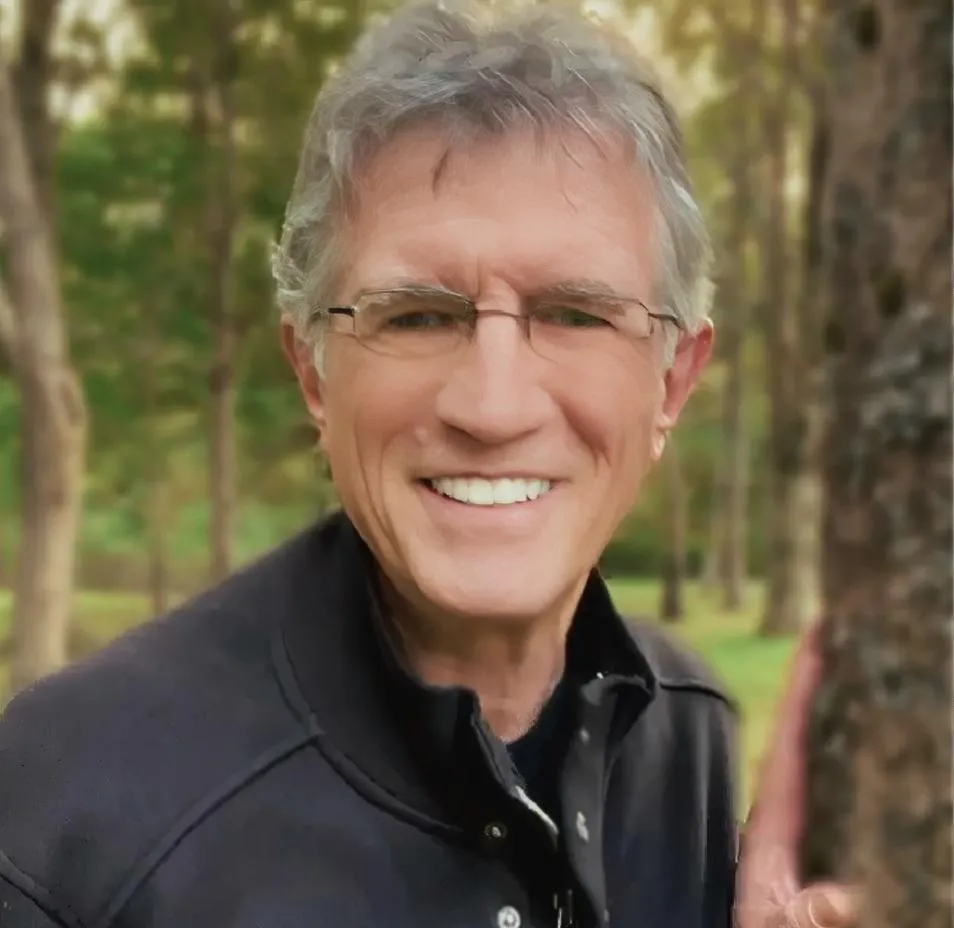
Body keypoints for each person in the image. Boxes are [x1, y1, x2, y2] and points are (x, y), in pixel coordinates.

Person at [0, 3, 856, 926]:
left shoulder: (682, 741)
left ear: (672, 382)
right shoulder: (67, 824)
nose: (492, 407)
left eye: (575, 315)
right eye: (417, 317)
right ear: (314, 374)